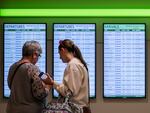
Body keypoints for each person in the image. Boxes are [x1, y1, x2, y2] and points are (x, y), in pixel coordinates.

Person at [45, 39, 91, 113]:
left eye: (59, 53)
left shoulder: (72, 65)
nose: (60, 57)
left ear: (63, 50)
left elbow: (69, 92)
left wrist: (52, 83)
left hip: (75, 109)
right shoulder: (78, 63)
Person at [6, 40, 51, 113]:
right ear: (34, 54)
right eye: (39, 55)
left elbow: (10, 86)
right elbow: (40, 94)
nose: (38, 59)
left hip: (12, 109)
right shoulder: (32, 68)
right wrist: (48, 86)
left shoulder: (13, 67)